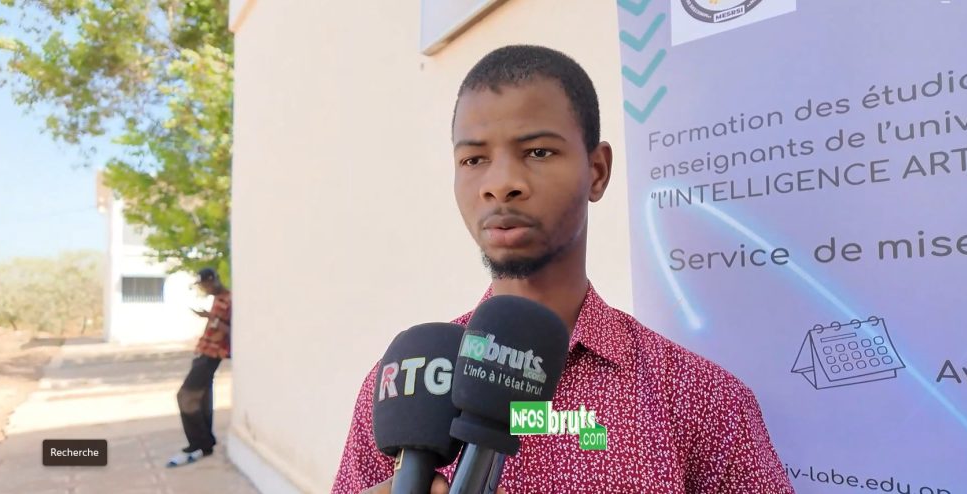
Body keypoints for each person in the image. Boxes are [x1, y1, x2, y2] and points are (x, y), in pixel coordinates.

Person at [332, 45, 794, 493]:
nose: (500, 184)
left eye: (537, 152)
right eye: (474, 159)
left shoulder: (702, 400)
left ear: (597, 170)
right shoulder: (403, 385)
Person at [166, 267, 232, 468]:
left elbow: (232, 329)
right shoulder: (217, 299)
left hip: (212, 356)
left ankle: (196, 444)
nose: (204, 289)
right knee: (202, 399)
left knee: (185, 396)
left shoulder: (230, 299)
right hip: (203, 353)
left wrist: (212, 318)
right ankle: (206, 444)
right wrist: (208, 317)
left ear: (213, 280)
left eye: (205, 284)